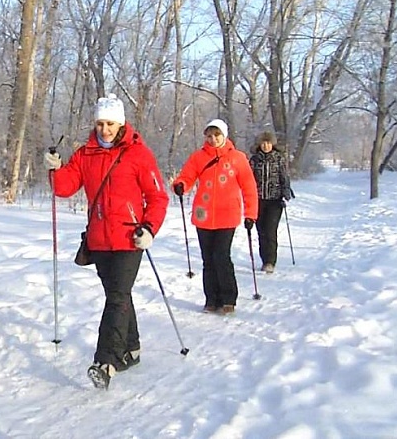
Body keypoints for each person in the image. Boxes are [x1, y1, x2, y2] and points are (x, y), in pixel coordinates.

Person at [43, 93, 169, 389]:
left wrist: (149, 228)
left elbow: (157, 197)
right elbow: (65, 188)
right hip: (99, 240)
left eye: (110, 123)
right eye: (100, 123)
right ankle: (132, 349)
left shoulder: (138, 154)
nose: (105, 129)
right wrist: (55, 168)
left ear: (121, 123)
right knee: (119, 295)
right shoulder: (85, 154)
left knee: (117, 297)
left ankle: (106, 361)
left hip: (130, 239)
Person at [171, 119, 258, 315]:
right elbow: (187, 177)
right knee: (207, 259)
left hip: (228, 215)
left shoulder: (237, 158)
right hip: (204, 215)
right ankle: (211, 299)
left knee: (221, 256)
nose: (213, 139)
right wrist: (180, 185)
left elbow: (249, 187)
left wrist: (251, 214)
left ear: (224, 135)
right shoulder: (198, 157)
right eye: (209, 136)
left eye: (216, 135)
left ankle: (228, 299)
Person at [249, 131, 292, 274]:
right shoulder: (254, 160)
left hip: (275, 200)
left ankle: (270, 261)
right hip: (258, 200)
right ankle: (264, 259)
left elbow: (284, 176)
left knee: (270, 230)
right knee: (261, 231)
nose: (266, 146)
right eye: (263, 143)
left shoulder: (279, 158)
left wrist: (286, 191)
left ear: (272, 144)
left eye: (268, 143)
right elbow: (248, 179)